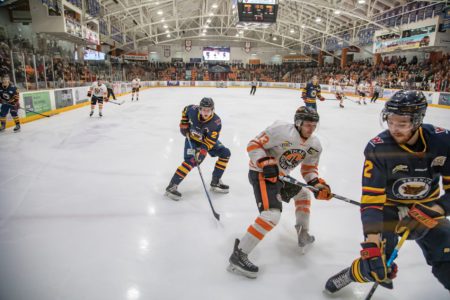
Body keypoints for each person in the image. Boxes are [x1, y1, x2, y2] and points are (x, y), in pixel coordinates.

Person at [325, 90, 450, 294]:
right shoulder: (378, 148)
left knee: (447, 255)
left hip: (428, 208)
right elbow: (372, 200)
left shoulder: (443, 143)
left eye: (402, 124)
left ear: (418, 121)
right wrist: (372, 243)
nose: (394, 129)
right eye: (390, 121)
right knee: (376, 267)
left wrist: (434, 209)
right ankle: (353, 273)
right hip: (389, 208)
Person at [227, 106, 333, 279]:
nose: (311, 129)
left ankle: (303, 233)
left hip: (281, 177)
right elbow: (253, 144)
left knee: (304, 195)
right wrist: (266, 162)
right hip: (261, 174)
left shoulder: (314, 145)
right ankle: (239, 255)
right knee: (271, 216)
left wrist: (316, 184)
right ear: (298, 123)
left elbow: (309, 168)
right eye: (307, 125)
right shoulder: (281, 130)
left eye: (314, 125)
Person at [165, 97, 231, 200]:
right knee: (191, 161)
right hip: (192, 140)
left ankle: (215, 181)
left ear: (212, 110)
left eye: (208, 110)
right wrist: (184, 124)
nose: (205, 112)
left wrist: (203, 152)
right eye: (203, 109)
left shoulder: (216, 122)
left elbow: (211, 141)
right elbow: (185, 110)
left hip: (206, 141)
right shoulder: (192, 110)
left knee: (225, 153)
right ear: (199, 109)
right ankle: (172, 185)